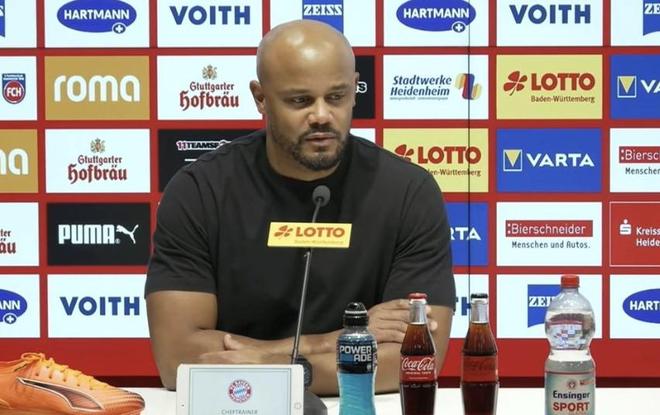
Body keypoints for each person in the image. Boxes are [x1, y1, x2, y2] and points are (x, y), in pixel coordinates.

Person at [145, 19, 455, 395]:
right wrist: (336, 340)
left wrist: (269, 363)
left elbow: (416, 360)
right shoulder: (200, 191)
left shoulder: (408, 191)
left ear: (355, 89)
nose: (322, 115)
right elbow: (176, 358)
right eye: (300, 101)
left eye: (336, 97)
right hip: (236, 407)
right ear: (261, 98)